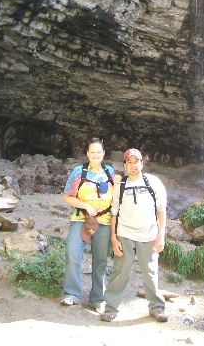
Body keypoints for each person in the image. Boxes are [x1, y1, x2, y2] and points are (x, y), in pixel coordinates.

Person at [100, 148, 168, 323]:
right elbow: (114, 213)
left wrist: (161, 236)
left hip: (149, 233)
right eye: (129, 162)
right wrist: (114, 238)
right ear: (124, 166)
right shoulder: (120, 186)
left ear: (142, 164)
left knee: (150, 271)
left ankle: (157, 307)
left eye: (136, 161)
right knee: (120, 271)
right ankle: (111, 308)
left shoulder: (153, 183)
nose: (133, 165)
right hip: (125, 233)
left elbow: (161, 211)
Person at [61, 137, 117, 311]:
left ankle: (98, 298)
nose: (95, 155)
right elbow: (68, 195)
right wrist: (85, 205)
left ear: (103, 154)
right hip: (81, 218)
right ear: (87, 154)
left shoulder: (109, 172)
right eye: (92, 152)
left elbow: (117, 193)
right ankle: (72, 293)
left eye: (99, 152)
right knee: (72, 252)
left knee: (100, 260)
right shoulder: (79, 172)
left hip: (105, 220)